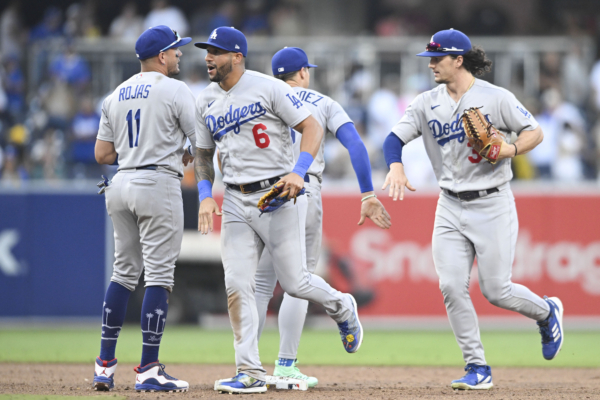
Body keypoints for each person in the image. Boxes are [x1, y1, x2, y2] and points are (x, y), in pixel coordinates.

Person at [382, 29, 564, 390]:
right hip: (449, 204)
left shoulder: (495, 98)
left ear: (458, 60)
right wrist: (395, 165)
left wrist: (508, 149)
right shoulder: (426, 102)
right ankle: (477, 366)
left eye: (438, 58)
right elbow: (393, 138)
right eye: (430, 59)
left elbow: (535, 131)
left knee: (496, 290)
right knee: (451, 285)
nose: (431, 64)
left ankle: (547, 312)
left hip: (492, 201)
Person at [193, 27, 363, 395]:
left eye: (216, 51)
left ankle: (342, 306)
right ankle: (250, 371)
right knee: (238, 286)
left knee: (296, 282)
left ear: (237, 56)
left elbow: (312, 126)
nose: (208, 57)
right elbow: (203, 154)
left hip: (278, 194)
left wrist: (299, 172)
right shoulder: (204, 99)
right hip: (235, 200)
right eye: (207, 50)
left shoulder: (268, 87)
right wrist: (206, 194)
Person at [253, 47, 391, 388]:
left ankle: (250, 367)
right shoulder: (322, 102)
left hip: (264, 191)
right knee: (297, 282)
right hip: (304, 188)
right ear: (302, 72)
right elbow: (355, 145)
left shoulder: (260, 100)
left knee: (259, 284)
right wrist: (367, 193)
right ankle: (285, 364)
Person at [92, 25, 196, 393]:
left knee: (122, 273)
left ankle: (104, 365)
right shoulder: (174, 89)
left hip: (120, 183)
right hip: (157, 182)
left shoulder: (115, 94)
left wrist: (136, 151)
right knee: (159, 276)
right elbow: (201, 141)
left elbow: (102, 154)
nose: (180, 54)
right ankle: (149, 368)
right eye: (175, 50)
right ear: (161, 56)